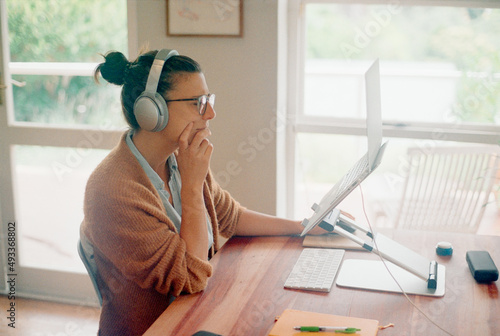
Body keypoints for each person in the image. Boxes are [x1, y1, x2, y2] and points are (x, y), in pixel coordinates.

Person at [80, 48, 331, 335]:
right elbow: (190, 276)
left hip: (197, 312)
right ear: (151, 111)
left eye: (208, 99)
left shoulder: (178, 157)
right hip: (158, 328)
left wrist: (303, 227)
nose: (210, 112)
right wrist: (191, 188)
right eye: (198, 102)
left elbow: (231, 217)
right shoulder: (112, 190)